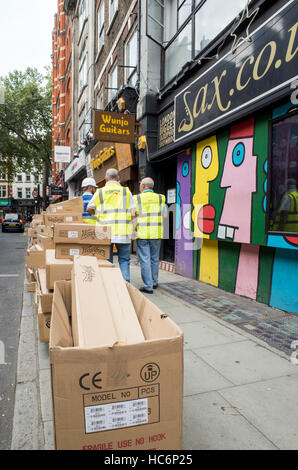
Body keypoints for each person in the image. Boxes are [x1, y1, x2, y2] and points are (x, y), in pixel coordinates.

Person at [87, 168, 136, 282]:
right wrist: (134, 229)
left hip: (104, 232)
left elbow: (89, 208)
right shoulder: (126, 191)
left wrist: (97, 213)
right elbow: (133, 212)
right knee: (124, 260)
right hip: (123, 232)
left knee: (106, 260)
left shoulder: (100, 192)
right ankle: (125, 285)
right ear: (118, 178)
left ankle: (108, 285)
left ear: (105, 179)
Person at [133, 177, 166, 294]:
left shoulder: (136, 198)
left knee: (145, 260)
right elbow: (165, 214)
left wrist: (133, 230)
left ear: (142, 187)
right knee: (154, 259)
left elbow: (133, 216)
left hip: (142, 234)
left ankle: (148, 286)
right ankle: (154, 282)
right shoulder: (161, 198)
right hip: (156, 233)